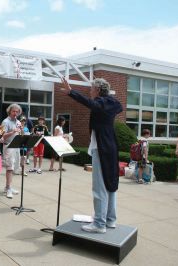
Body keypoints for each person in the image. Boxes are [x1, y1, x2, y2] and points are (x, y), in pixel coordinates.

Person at [60, 77, 122, 234]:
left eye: (91, 89)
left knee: (99, 187)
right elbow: (117, 107)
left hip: (101, 147)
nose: (90, 91)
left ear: (98, 90)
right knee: (110, 184)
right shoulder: (112, 102)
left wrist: (71, 92)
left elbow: (91, 104)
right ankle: (110, 220)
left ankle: (99, 224)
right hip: (111, 146)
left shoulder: (101, 103)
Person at [2, 103, 23, 199]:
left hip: (16, 146)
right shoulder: (5, 122)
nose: (15, 113)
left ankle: (8, 186)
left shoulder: (18, 122)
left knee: (14, 168)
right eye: (13, 111)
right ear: (9, 111)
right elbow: (3, 136)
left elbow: (20, 134)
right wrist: (13, 131)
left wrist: (21, 130)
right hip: (8, 146)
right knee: (9, 168)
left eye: (17, 111)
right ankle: (8, 188)